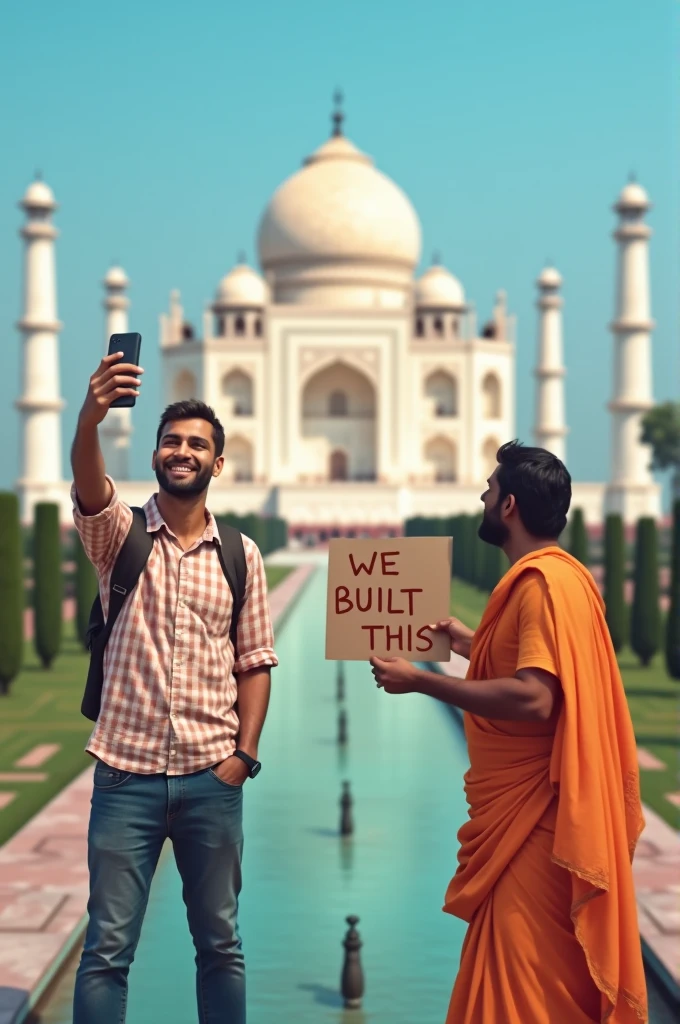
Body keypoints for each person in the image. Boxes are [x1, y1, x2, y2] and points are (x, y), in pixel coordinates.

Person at [370, 440, 647, 1024]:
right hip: (536, 817)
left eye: (490, 490)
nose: (482, 496)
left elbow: (535, 696)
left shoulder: (540, 585)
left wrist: (424, 682)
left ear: (511, 506)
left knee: (527, 990)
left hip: (537, 825)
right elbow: (540, 667)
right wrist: (472, 642)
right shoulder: (562, 578)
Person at [71, 352, 278, 1024]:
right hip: (125, 774)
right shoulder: (120, 536)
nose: (182, 451)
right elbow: (87, 483)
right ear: (156, 455)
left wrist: (241, 758)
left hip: (207, 778)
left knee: (221, 945)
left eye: (197, 444)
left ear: (219, 463)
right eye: (172, 441)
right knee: (106, 947)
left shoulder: (241, 556)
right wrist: (91, 416)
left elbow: (255, 662)